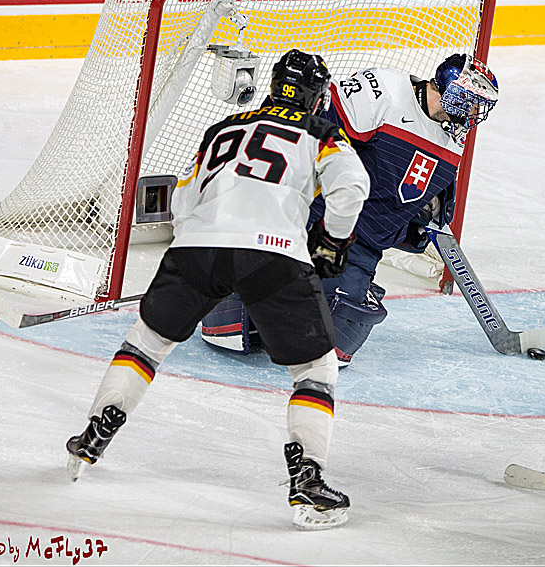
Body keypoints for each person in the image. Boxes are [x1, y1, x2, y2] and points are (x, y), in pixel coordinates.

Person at [65, 49, 370, 531]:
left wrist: (196, 247)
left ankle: (93, 434)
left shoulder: (224, 127)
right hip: (273, 253)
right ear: (315, 97)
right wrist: (331, 243)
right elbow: (352, 186)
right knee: (315, 367)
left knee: (147, 344)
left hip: (195, 248)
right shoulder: (320, 132)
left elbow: (184, 196)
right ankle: (308, 482)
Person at [201, 53, 499, 368]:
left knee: (331, 342)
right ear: (442, 88)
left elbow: (399, 221)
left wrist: (416, 226)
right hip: (312, 220)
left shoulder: (452, 147)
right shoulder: (384, 91)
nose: (469, 112)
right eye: (465, 100)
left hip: (357, 249)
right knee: (233, 327)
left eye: (476, 105)